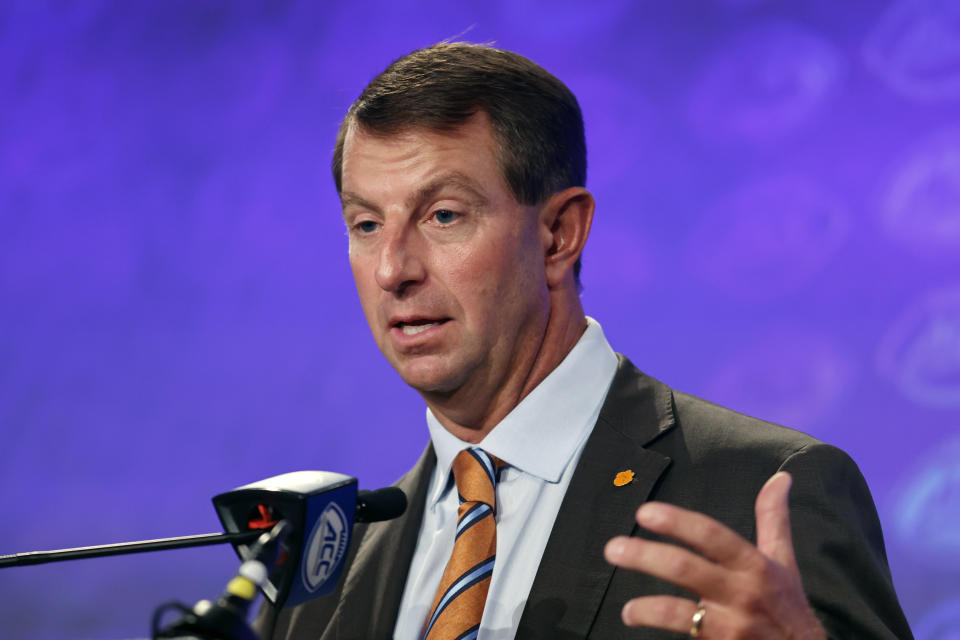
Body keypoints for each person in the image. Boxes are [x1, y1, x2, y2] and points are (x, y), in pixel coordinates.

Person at [255, 42, 912, 639]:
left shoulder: (763, 491)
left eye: (444, 215)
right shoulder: (323, 571)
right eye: (366, 224)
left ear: (559, 235)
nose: (393, 269)